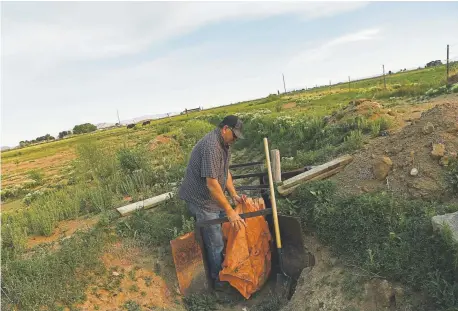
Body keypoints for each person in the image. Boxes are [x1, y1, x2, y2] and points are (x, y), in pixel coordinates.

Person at [178, 115, 247, 291]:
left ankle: (228, 267)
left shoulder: (225, 144)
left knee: (230, 228)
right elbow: (212, 184)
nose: (236, 139)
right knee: (215, 240)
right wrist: (229, 211)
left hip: (212, 196)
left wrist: (233, 196)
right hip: (201, 200)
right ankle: (218, 281)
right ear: (225, 129)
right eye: (235, 135)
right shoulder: (211, 146)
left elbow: (224, 172)